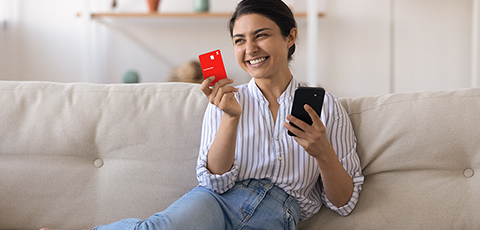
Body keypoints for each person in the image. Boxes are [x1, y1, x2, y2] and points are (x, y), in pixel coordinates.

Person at [41, 0, 363, 229]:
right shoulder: (226, 101)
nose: (250, 49)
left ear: (290, 36)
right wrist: (230, 119)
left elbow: (344, 203)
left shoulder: (326, 108)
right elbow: (212, 181)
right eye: (240, 40)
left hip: (280, 213)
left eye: (261, 35)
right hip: (217, 203)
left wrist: (323, 154)